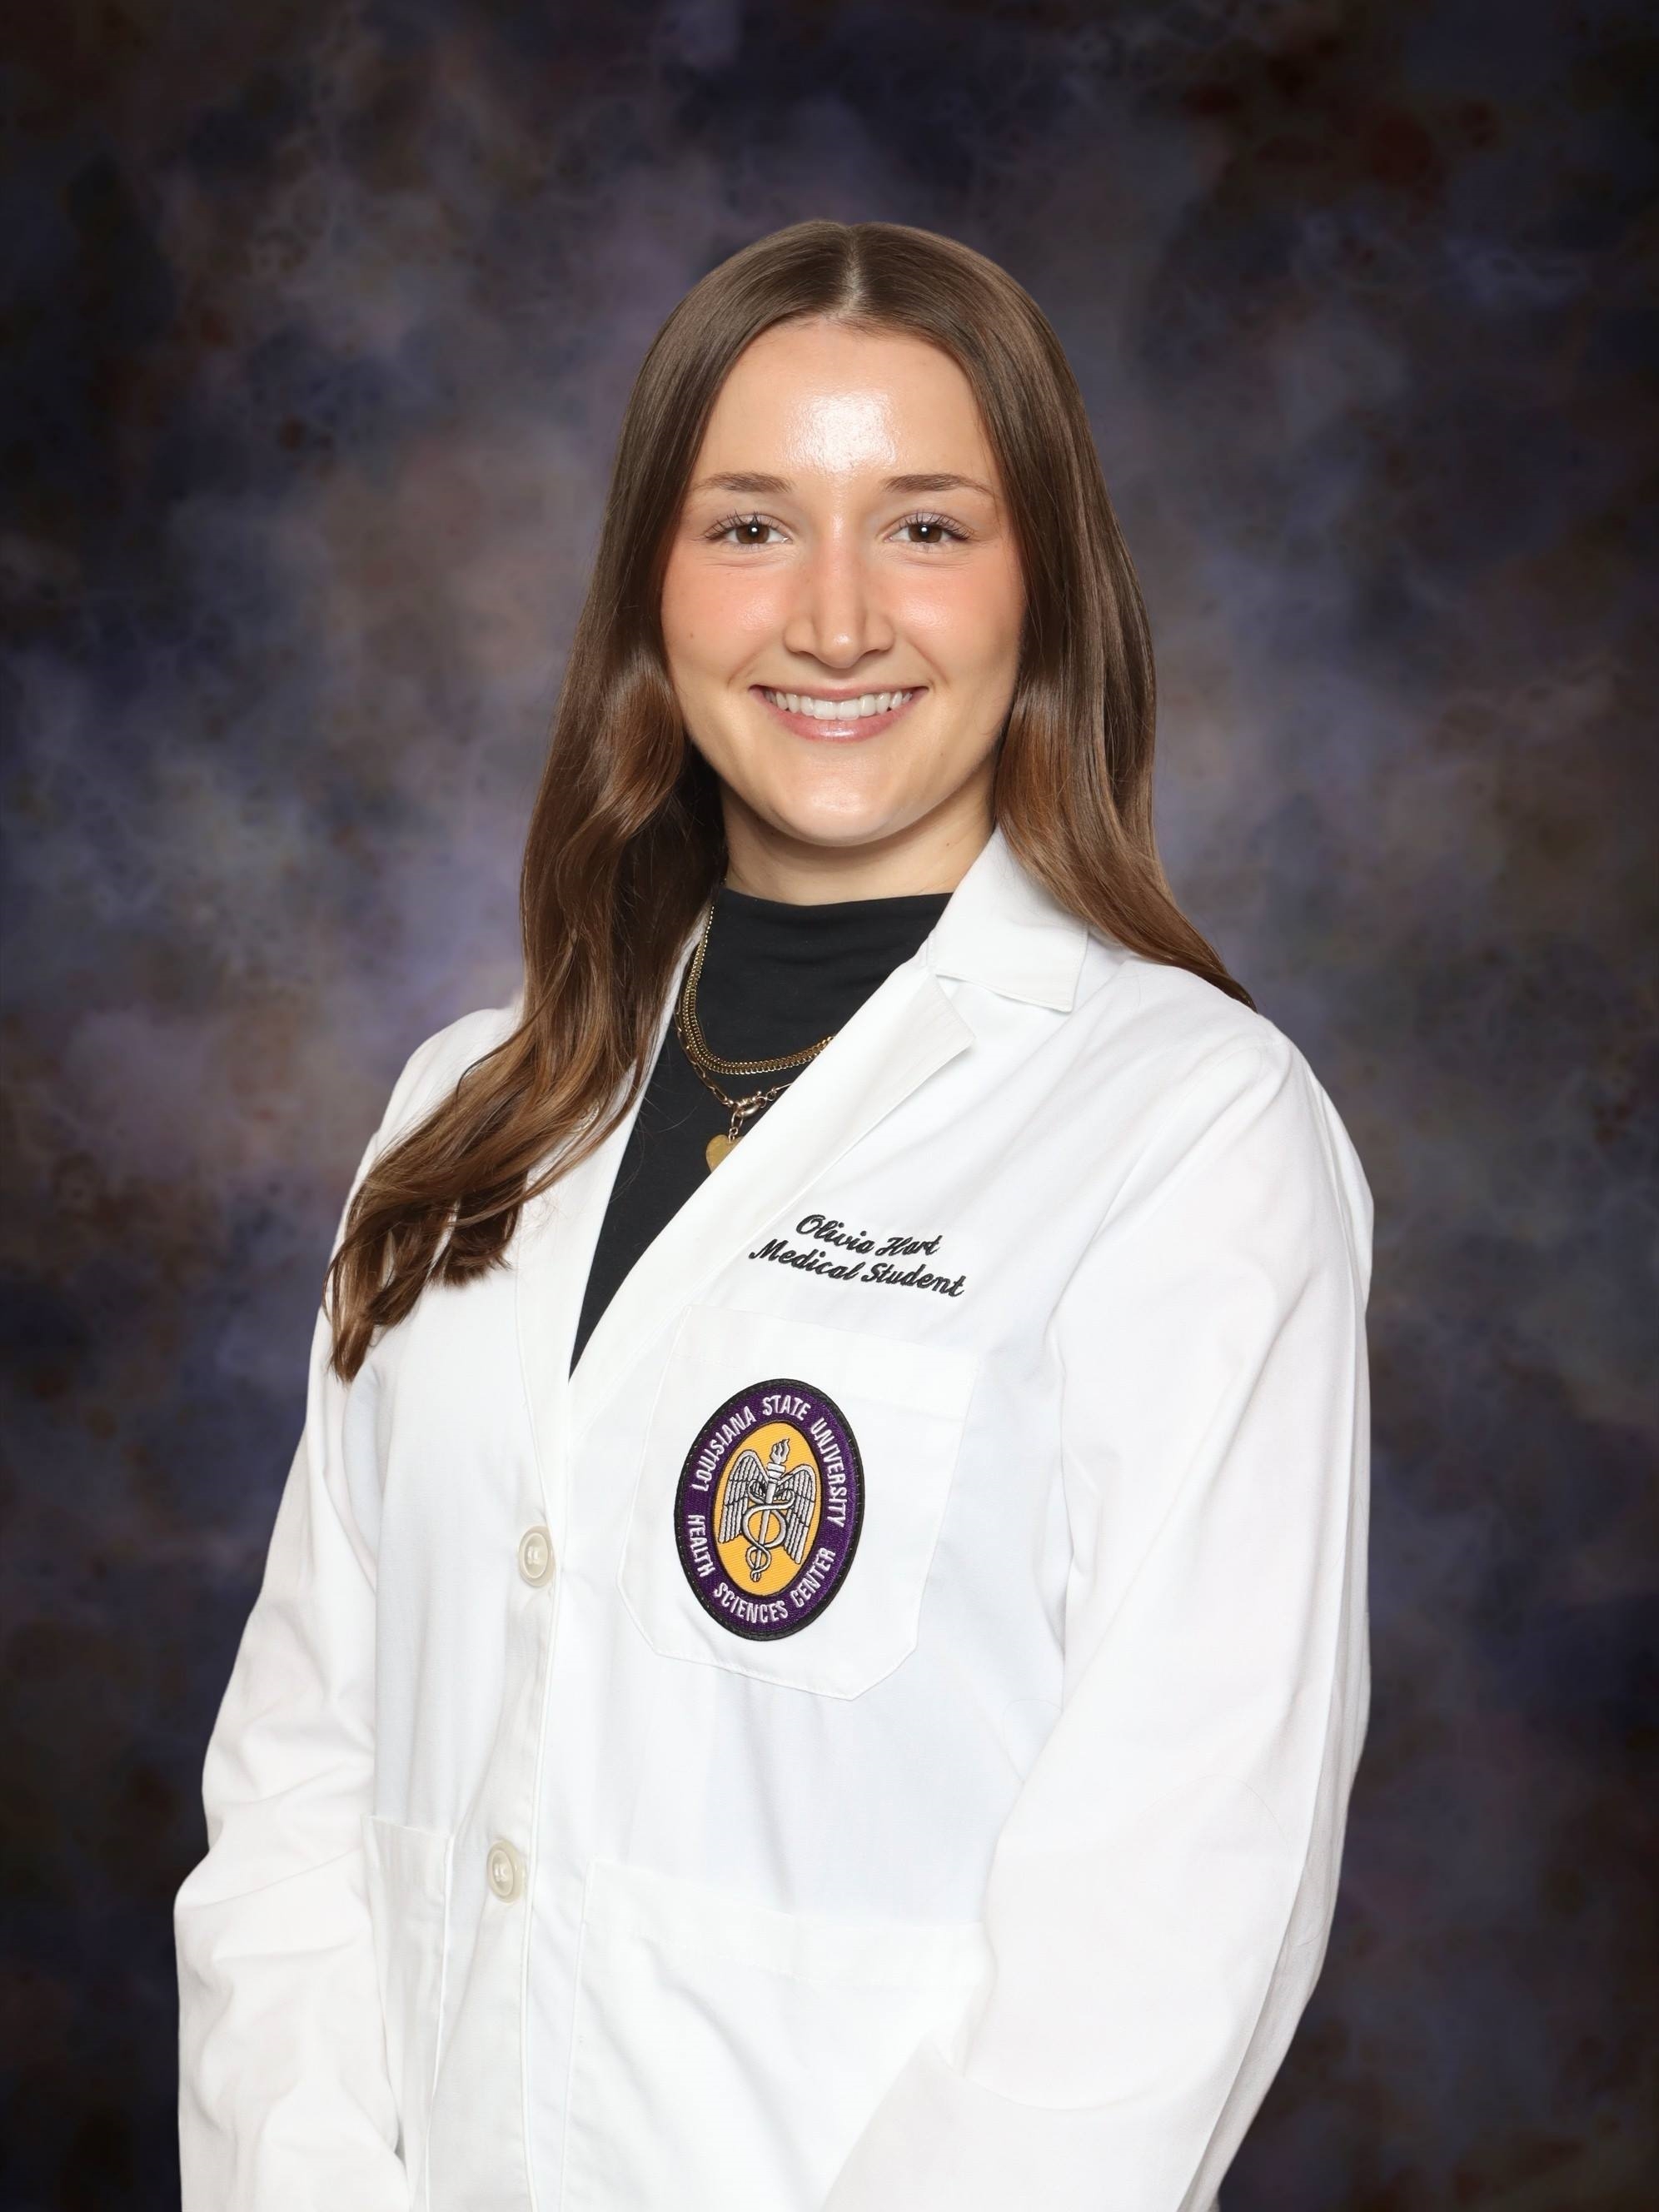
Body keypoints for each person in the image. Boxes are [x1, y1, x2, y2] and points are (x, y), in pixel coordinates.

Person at [174, 218, 1372, 2212]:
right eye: (748, 526)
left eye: (921, 526)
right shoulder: (467, 1110)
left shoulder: (1184, 1126)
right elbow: (303, 1778)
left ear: (1042, 591)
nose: (832, 617)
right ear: (653, 591)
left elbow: (1168, 1911)